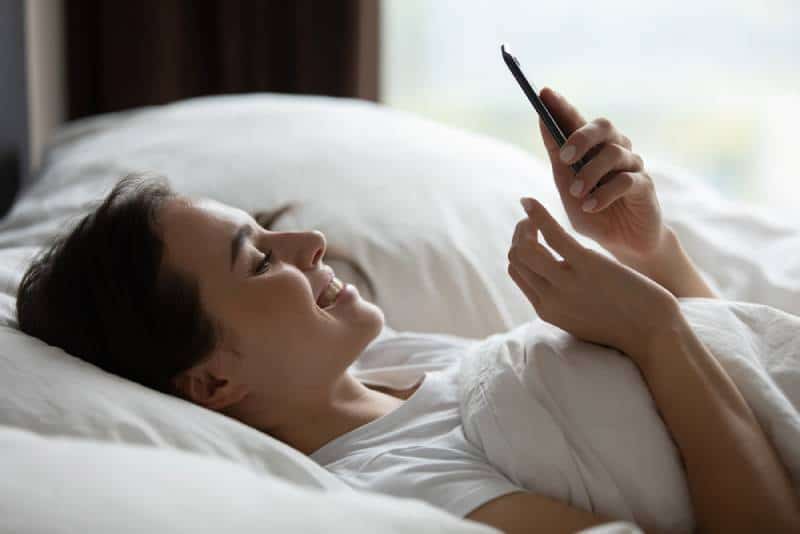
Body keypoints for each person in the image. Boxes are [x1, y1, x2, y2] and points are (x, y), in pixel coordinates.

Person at [15, 88, 798, 534]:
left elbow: (732, 368)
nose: (311, 242)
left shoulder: (400, 362)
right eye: (258, 260)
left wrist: (649, 251)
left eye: (267, 229)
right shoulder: (401, 488)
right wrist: (651, 327)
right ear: (213, 387)